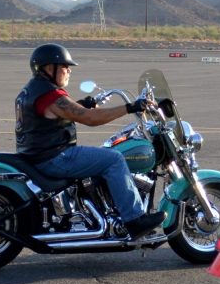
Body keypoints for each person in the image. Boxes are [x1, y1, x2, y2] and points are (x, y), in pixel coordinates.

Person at [14, 43, 165, 238]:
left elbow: (55, 113)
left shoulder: (32, 91)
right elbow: (89, 119)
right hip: (55, 157)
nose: (69, 70)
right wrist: (130, 108)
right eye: (64, 66)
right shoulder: (50, 94)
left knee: (102, 157)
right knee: (114, 159)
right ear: (49, 68)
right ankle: (135, 220)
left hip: (37, 155)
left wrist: (82, 104)